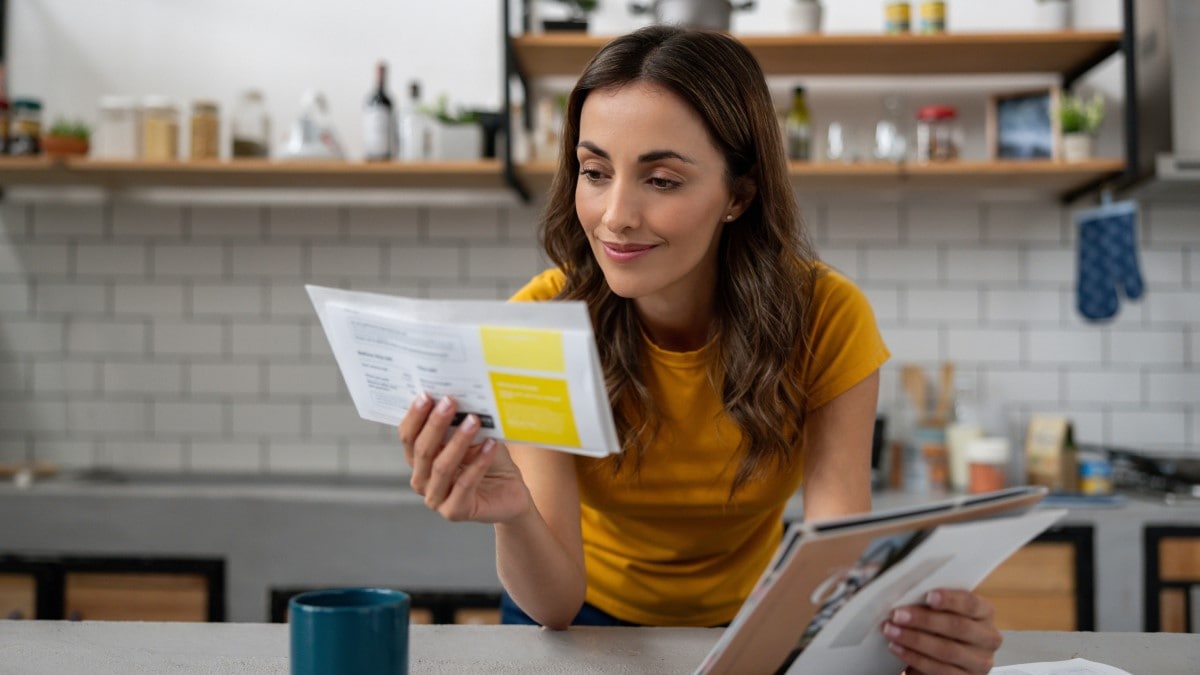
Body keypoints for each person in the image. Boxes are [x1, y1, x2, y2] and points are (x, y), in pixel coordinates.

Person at [400, 24, 1003, 674]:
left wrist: (918, 631)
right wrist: (515, 512)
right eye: (595, 171)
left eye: (661, 180)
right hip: (576, 623)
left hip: (753, 622)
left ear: (738, 195)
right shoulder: (540, 322)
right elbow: (556, 603)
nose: (615, 214)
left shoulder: (827, 318)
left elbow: (834, 553)